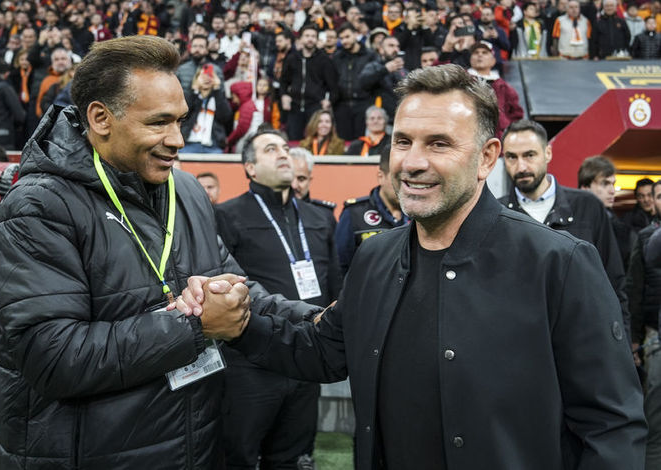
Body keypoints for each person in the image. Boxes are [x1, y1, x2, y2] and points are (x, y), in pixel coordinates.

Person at [175, 64, 646, 470]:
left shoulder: (559, 263)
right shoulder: (375, 257)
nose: (413, 162)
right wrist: (240, 327)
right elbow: (324, 349)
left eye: (439, 143)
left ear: (486, 158)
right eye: (403, 141)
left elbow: (611, 427)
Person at [0, 35, 318, 469]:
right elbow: (51, 358)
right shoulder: (37, 207)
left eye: (180, 120)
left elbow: (235, 288)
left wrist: (319, 322)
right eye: (159, 122)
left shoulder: (186, 191)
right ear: (100, 118)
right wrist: (193, 327)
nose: (177, 139)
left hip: (191, 452)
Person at [214, 127, 342, 470]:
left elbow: (334, 283)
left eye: (285, 147)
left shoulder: (319, 217)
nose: (284, 153)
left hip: (306, 356)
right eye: (271, 149)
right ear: (250, 168)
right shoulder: (227, 215)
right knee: (239, 457)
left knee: (293, 459)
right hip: (251, 362)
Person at [500, 119, 630, 336]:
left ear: (548, 153)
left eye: (529, 155)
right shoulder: (497, 214)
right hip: (520, 342)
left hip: (583, 339)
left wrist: (621, 343)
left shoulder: (588, 207)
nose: (521, 167)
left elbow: (613, 282)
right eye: (512, 157)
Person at [626, 180, 661, 469]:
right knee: (655, 416)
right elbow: (634, 289)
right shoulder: (649, 237)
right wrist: (634, 338)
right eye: (658, 196)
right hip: (654, 334)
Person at [335, 143, 408, 273]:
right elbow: (340, 266)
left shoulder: (418, 215)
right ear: (381, 177)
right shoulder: (354, 213)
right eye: (398, 179)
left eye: (409, 179)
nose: (405, 187)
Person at [280, 24, 339, 141]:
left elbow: (334, 85)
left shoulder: (324, 60)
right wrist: (284, 95)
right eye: (307, 36)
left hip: (315, 107)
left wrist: (329, 101)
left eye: (313, 36)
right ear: (301, 38)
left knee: (315, 140)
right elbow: (283, 81)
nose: (310, 39)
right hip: (295, 107)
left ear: (317, 39)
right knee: (293, 140)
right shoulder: (292, 58)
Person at [578, 155, 634, 270]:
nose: (612, 191)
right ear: (585, 187)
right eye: (605, 184)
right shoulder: (570, 223)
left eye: (613, 184)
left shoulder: (621, 229)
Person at [467, 41, 524, 139]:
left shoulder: (504, 87)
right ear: (470, 59)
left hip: (498, 140)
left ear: (493, 60)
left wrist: (506, 129)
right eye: (476, 52)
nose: (480, 55)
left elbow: (517, 114)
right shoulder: (462, 81)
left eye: (485, 52)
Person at [333, 23, 378, 141]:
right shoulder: (337, 57)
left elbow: (376, 79)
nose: (344, 41)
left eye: (347, 37)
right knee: (343, 143)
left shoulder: (370, 55)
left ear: (356, 35)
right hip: (342, 106)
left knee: (362, 142)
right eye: (341, 38)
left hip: (364, 104)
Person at [181, 64, 231, 154]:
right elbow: (184, 114)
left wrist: (217, 89)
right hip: (189, 144)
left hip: (213, 146)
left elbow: (225, 117)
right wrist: (194, 90)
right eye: (203, 76)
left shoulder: (218, 96)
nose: (206, 79)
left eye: (210, 75)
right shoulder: (191, 95)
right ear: (196, 78)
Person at [359, 35, 407, 124]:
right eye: (391, 46)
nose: (396, 49)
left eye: (397, 46)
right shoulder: (373, 66)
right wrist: (385, 70)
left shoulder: (402, 70)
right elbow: (363, 83)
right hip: (378, 120)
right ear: (381, 49)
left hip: (399, 119)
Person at [290, 146, 337, 214]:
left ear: (309, 181)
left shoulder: (323, 214)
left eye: (301, 179)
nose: (294, 185)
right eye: (290, 178)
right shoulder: (273, 213)